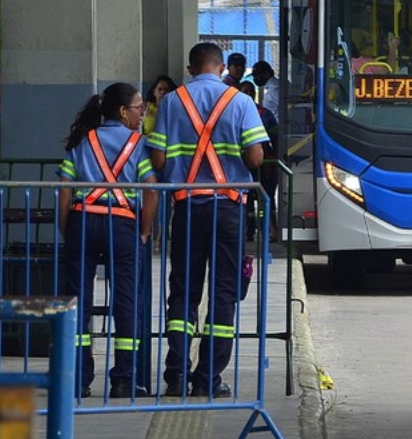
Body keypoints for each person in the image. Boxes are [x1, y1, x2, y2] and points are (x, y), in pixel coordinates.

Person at [149, 42, 268, 398]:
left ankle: (175, 374)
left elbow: (156, 160)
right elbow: (256, 158)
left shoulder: (172, 102)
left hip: (186, 207)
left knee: (183, 290)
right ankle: (208, 379)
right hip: (228, 209)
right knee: (224, 292)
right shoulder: (242, 102)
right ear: (221, 68)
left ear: (190, 68)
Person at [57, 82, 158, 399]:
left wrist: (66, 227)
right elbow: (152, 190)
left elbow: (64, 189)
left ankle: (78, 379)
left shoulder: (83, 140)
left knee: (76, 302)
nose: (143, 113)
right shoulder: (138, 144)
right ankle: (123, 380)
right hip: (123, 226)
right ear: (122, 111)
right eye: (139, 107)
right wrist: (144, 231)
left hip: (82, 221)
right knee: (126, 302)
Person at [237, 80, 280, 243]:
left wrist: (274, 160)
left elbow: (275, 138)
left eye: (250, 91)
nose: (247, 94)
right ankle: (248, 230)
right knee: (246, 200)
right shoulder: (235, 112)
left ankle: (271, 229)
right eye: (244, 91)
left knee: (266, 197)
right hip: (242, 164)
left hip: (264, 163)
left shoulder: (265, 114)